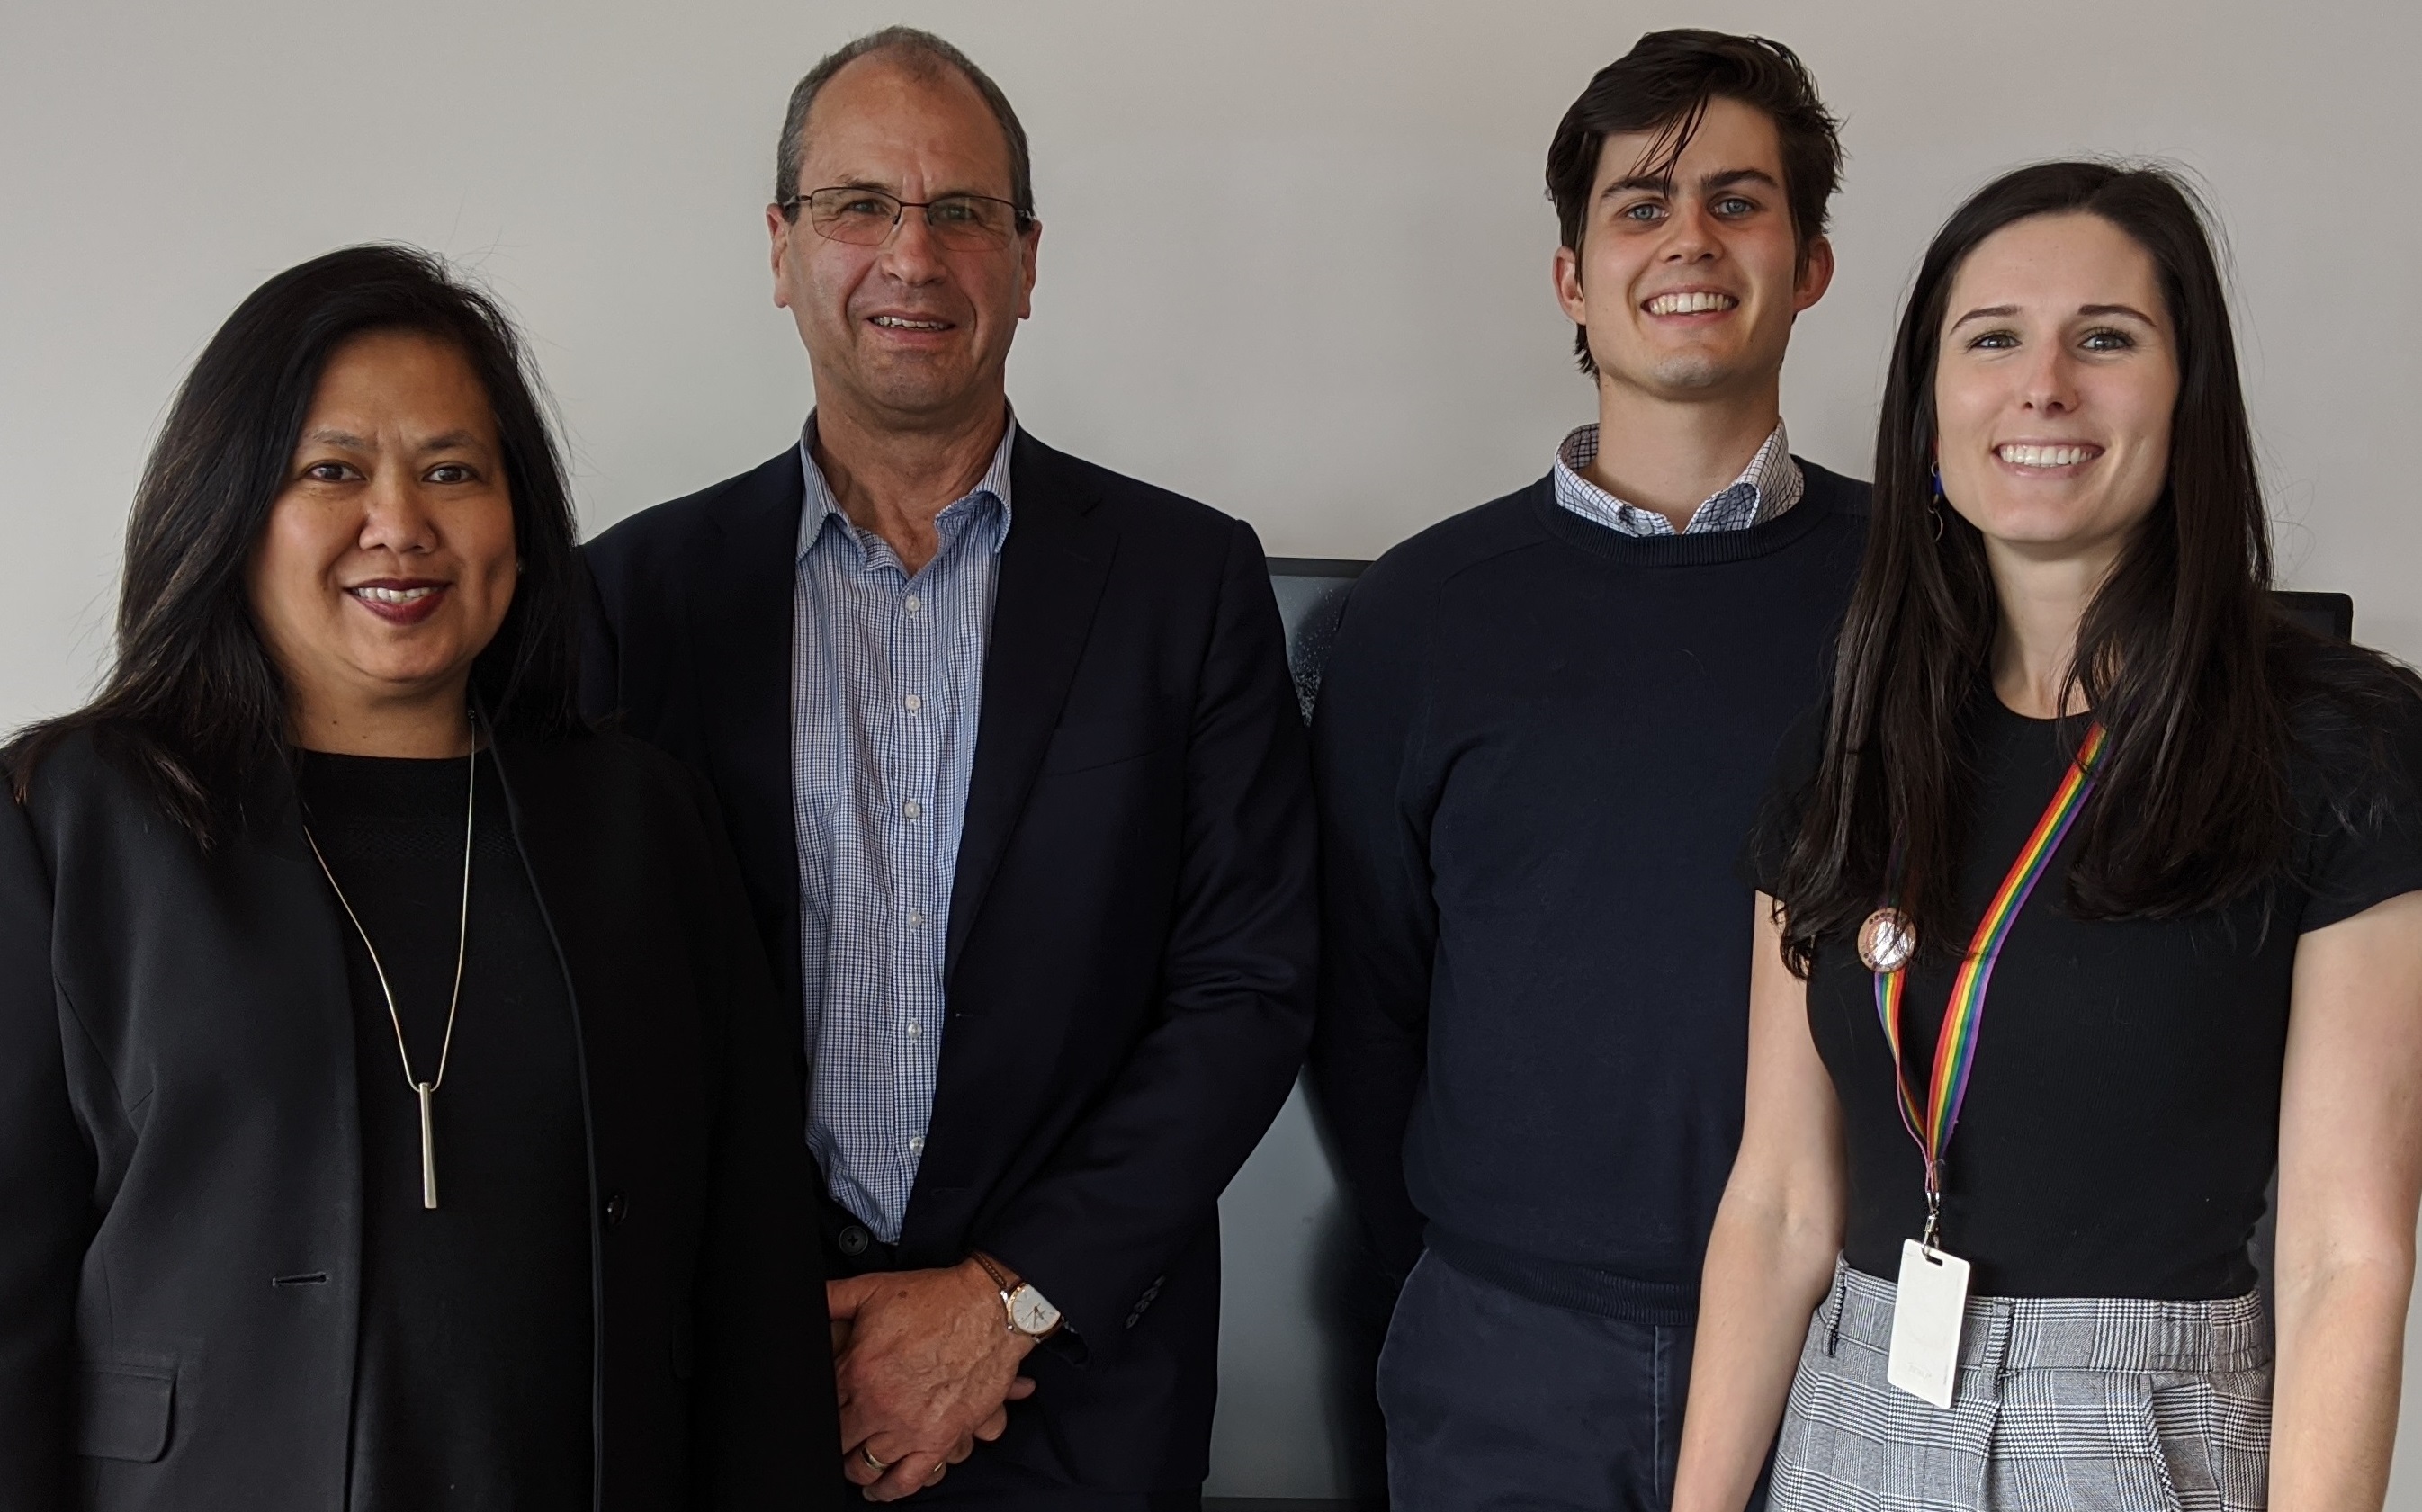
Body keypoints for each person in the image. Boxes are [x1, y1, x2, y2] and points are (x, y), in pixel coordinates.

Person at [580, 26, 1316, 1510]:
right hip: (722, 1382)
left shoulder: (1188, 582)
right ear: (781, 248)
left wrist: (1006, 1298)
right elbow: (595, 1014)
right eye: (860, 206)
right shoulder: (631, 602)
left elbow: (1250, 981)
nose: (911, 254)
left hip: (1077, 1389)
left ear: (1028, 260)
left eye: (962, 212)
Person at [0, 245, 839, 1511]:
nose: (401, 523)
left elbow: (749, 1272)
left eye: (453, 470)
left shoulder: (642, 823)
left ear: (518, 517)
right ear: (233, 504)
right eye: (332, 470)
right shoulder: (65, 823)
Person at [1673, 162, 2422, 1512]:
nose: (2045, 385)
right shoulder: (1847, 751)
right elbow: (1781, 1200)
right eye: (1995, 338)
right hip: (1852, 1415)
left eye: (2107, 338)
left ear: (2188, 398)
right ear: (1931, 411)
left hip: (2139, 1432)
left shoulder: (2340, 743)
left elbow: (2343, 1252)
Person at [1309, 29, 1865, 1511]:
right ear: (1572, 275)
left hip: (1852, 1333)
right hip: (1506, 1344)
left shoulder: (1930, 598)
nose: (1690, 237)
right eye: (1642, 203)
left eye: (1740, 201)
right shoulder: (1414, 617)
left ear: (1810, 263)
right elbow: (1361, 995)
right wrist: (1484, 1235)